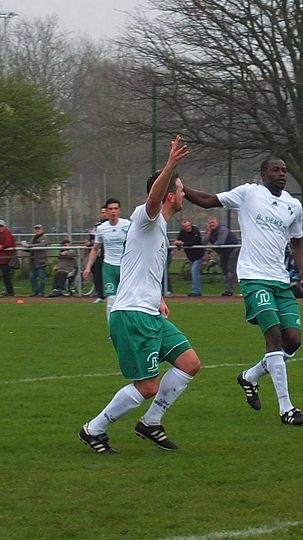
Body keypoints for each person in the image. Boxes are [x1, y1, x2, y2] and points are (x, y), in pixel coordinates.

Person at [78, 135, 200, 453]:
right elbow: (151, 200)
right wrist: (170, 165)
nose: (183, 192)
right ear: (168, 195)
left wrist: (159, 296)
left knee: (189, 363)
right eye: (180, 187)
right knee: (147, 386)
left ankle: (151, 422)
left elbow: (143, 268)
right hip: (133, 313)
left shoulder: (160, 229)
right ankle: (94, 428)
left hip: (149, 310)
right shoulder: (148, 218)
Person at [182, 156, 303, 426]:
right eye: (275, 170)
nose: (281, 174)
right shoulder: (248, 194)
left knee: (293, 341)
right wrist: (180, 186)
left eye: (284, 170)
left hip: (280, 280)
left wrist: (302, 270)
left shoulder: (294, 205)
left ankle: (250, 377)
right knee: (273, 337)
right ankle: (287, 408)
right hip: (254, 278)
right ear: (263, 173)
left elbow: (297, 241)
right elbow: (207, 200)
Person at [83, 199, 132, 321]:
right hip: (109, 267)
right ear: (106, 211)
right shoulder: (101, 228)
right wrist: (88, 267)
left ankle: (129, 327)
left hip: (125, 267)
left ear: (119, 210)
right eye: (110, 209)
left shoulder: (127, 225)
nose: (113, 211)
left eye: (115, 208)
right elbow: (95, 249)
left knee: (128, 300)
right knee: (111, 300)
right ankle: (113, 330)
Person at [205, 216, 240, 297]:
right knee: (225, 271)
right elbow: (203, 242)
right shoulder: (211, 231)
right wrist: (209, 233)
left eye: (213, 222)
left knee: (231, 270)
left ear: (217, 223)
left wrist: (210, 248)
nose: (211, 224)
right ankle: (229, 288)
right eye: (210, 223)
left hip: (233, 251)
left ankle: (229, 290)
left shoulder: (222, 229)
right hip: (223, 253)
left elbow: (220, 241)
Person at [174, 219, 204, 296]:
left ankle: (196, 291)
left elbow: (195, 242)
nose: (187, 228)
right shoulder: (182, 232)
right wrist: (177, 242)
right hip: (190, 256)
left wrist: (183, 243)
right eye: (185, 227)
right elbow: (179, 240)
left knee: (194, 270)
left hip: (198, 255)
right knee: (194, 271)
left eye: (188, 226)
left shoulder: (195, 230)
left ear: (190, 225)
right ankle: (196, 290)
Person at [85, 206, 108, 303]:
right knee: (97, 275)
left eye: (105, 212)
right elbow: (92, 241)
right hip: (99, 255)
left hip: (110, 256)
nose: (103, 214)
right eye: (102, 212)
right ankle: (100, 295)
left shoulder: (117, 225)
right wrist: (89, 243)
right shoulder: (97, 227)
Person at [25, 224, 49, 297]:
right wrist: (25, 246)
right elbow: (30, 247)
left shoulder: (44, 237)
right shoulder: (33, 237)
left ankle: (41, 292)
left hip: (41, 260)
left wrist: (30, 246)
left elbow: (41, 245)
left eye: (39, 229)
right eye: (36, 229)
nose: (37, 230)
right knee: (32, 277)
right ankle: (35, 291)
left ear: (42, 230)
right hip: (32, 260)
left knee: (42, 277)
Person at [0, 219, 15, 296]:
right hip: (2, 259)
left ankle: (10, 292)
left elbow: (9, 243)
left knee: (6, 275)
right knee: (5, 275)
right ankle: (9, 291)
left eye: (1, 226)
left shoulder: (7, 233)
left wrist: (2, 246)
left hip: (6, 259)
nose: (0, 227)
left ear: (4, 226)